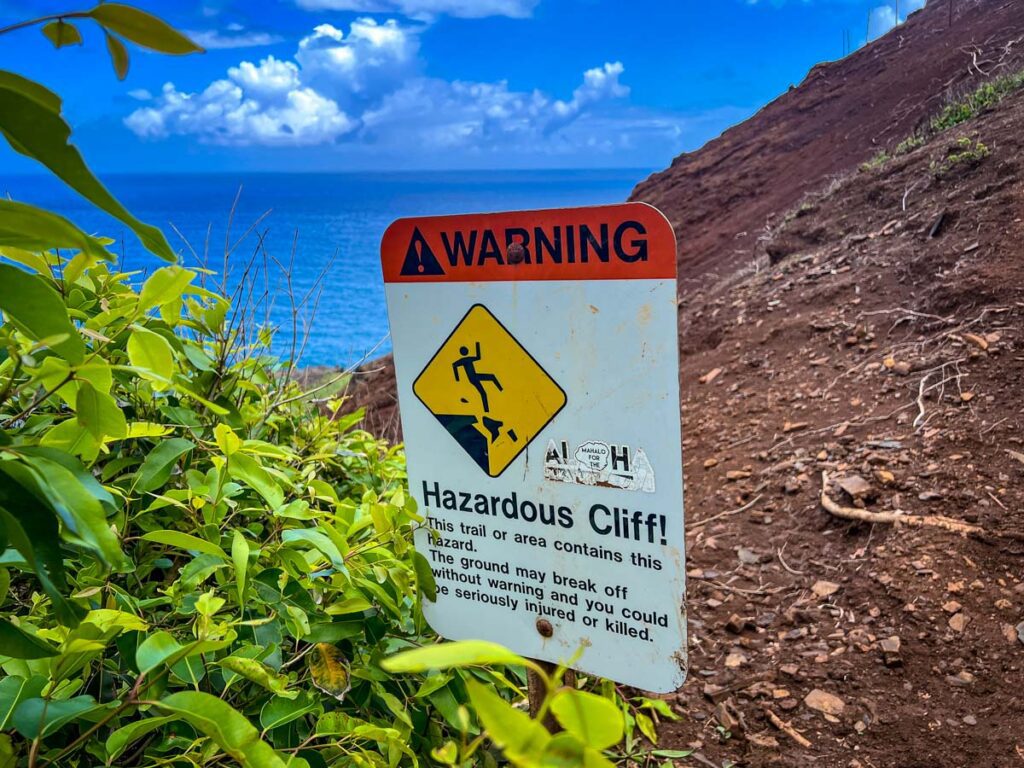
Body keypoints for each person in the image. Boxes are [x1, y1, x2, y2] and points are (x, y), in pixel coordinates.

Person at [453, 341, 503, 413]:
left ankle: (487, 409)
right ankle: (501, 391)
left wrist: (477, 345)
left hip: (474, 377)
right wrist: (457, 378)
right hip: (473, 378)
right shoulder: (464, 360)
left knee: (485, 389)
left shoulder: (467, 359)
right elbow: (454, 365)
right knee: (489, 381)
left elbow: (478, 357)